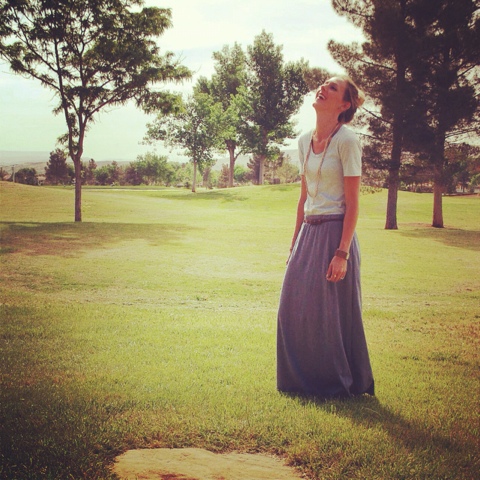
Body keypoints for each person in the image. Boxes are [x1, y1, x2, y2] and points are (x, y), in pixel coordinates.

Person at [277, 76, 374, 398]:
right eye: (323, 84)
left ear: (344, 104)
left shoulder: (347, 141)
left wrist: (342, 253)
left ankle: (335, 384)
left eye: (333, 88)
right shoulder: (304, 140)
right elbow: (303, 197)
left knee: (331, 315)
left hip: (335, 231)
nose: (323, 88)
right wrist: (294, 243)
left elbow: (353, 203)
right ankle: (298, 380)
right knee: (291, 307)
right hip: (309, 229)